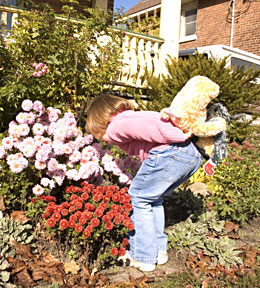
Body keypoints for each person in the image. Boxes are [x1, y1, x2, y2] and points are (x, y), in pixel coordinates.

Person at [85, 93, 202, 272]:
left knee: (138, 198)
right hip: (188, 156)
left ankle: (143, 256)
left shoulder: (118, 124)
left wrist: (179, 134)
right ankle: (158, 251)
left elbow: (155, 125)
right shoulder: (129, 119)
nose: (102, 140)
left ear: (102, 122)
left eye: (99, 135)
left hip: (172, 152)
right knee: (152, 199)